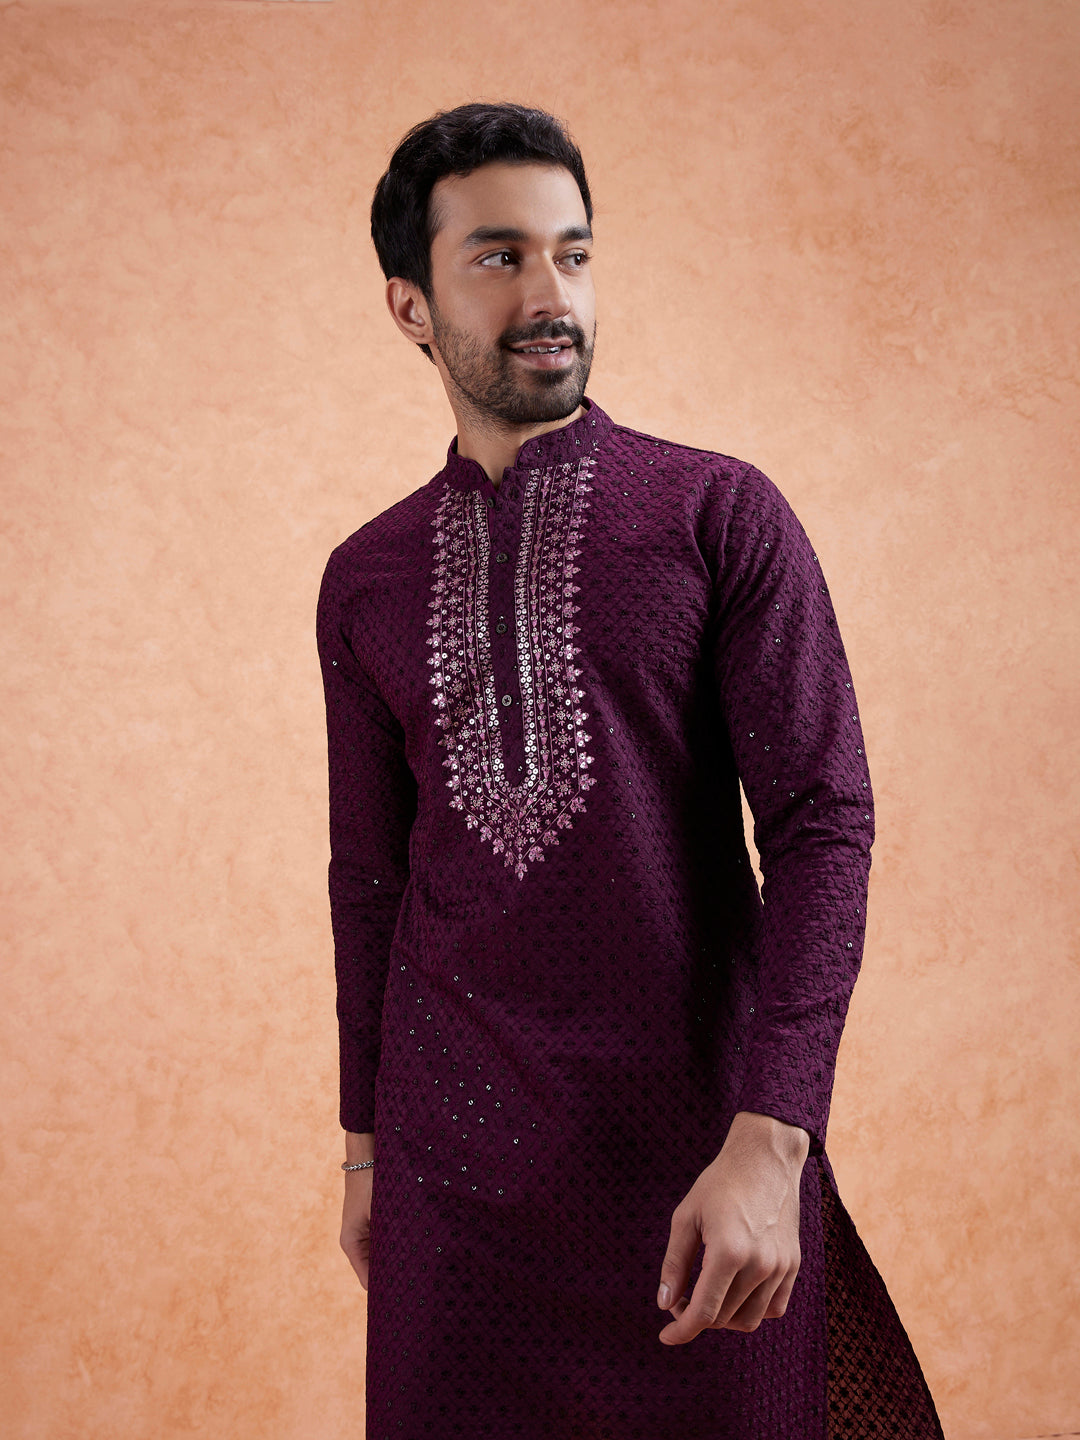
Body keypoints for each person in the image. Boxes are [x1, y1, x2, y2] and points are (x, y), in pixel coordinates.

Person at [317, 101, 943, 1440]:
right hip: (452, 1190)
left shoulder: (718, 514)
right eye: (499, 257)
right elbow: (368, 880)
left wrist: (775, 1140)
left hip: (698, 1170)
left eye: (575, 253)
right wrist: (364, 1147)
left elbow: (822, 819)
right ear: (410, 305)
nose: (551, 295)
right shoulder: (366, 576)